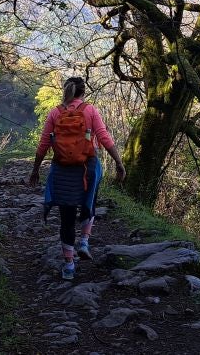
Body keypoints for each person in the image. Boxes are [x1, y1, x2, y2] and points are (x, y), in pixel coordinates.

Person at [28, 76, 126, 280]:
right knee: (89, 202)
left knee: (66, 219)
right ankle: (84, 240)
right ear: (83, 93)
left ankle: (69, 266)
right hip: (88, 167)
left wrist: (35, 170)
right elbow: (104, 136)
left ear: (66, 91)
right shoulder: (90, 110)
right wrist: (118, 162)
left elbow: (43, 144)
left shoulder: (55, 113)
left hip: (62, 171)